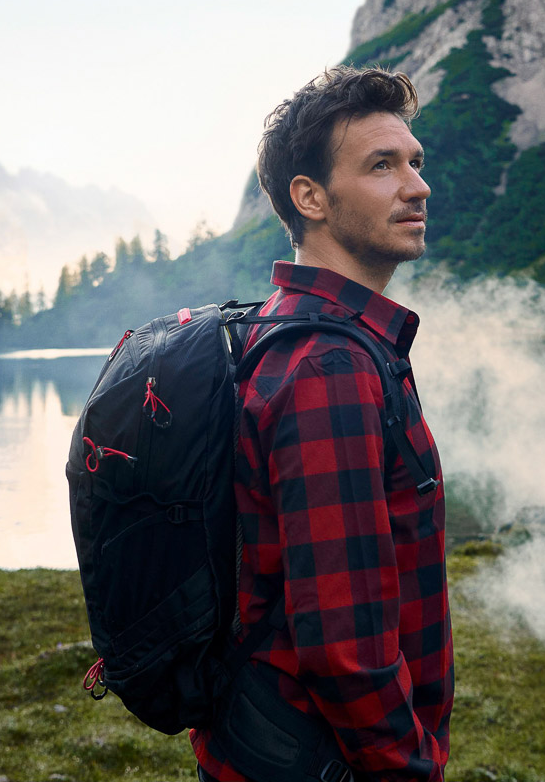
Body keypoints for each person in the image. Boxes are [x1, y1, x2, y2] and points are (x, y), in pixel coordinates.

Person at [192, 66, 453, 782]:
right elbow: (345, 645)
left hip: (268, 745)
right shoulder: (329, 366)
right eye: (381, 166)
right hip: (324, 762)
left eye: (415, 162)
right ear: (310, 198)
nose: (418, 186)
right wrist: (411, 768)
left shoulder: (287, 327)